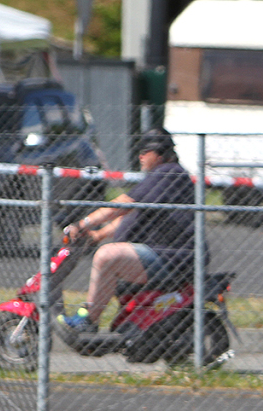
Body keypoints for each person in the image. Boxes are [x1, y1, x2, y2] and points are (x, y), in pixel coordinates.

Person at [59, 127, 205, 335]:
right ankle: (102, 320)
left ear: (160, 154)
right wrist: (99, 235)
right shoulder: (163, 176)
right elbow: (133, 215)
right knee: (109, 254)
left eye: (145, 151)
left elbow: (124, 204)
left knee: (107, 256)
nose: (141, 156)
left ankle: (88, 321)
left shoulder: (168, 172)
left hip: (174, 257)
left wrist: (83, 224)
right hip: (162, 253)